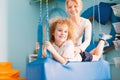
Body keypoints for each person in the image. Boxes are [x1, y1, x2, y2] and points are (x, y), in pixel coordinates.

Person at [35, 18, 112, 65]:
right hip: (73, 54)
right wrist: (39, 49)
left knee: (97, 57)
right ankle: (101, 43)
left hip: (81, 57)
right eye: (59, 30)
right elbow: (46, 55)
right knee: (91, 52)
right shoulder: (52, 44)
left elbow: (64, 62)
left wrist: (52, 50)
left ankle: (102, 40)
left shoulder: (69, 43)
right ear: (53, 32)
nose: (63, 33)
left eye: (65, 32)